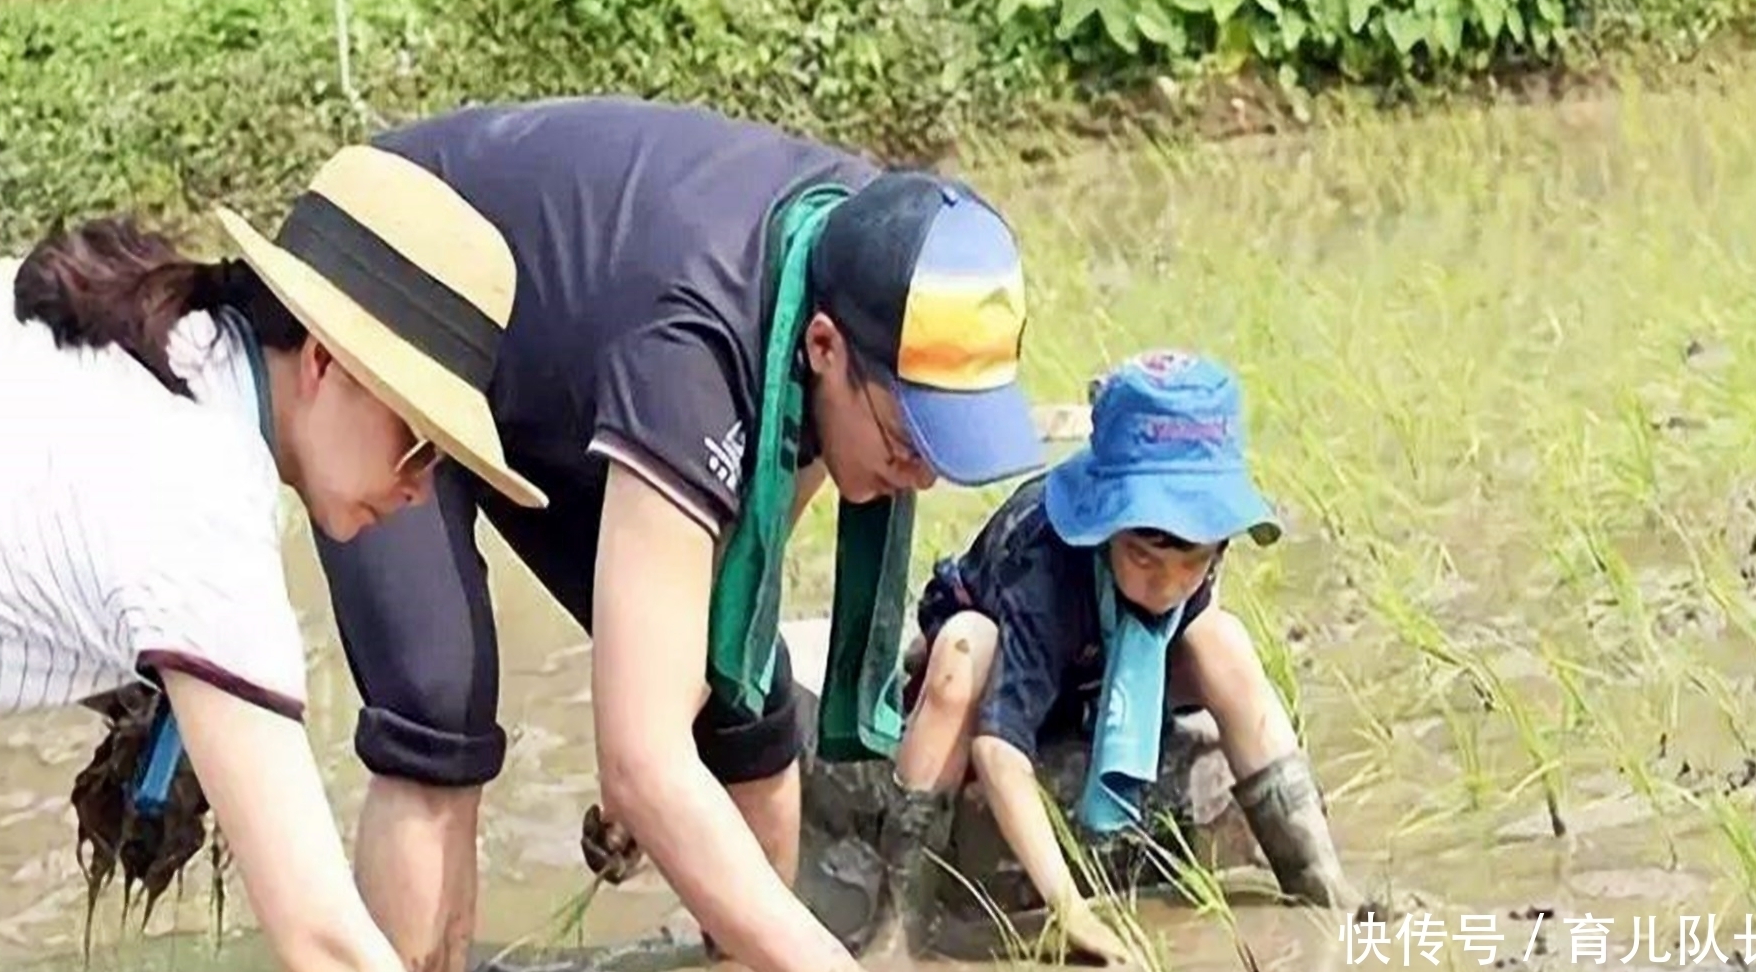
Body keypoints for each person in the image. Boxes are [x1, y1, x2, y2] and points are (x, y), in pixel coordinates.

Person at [299, 96, 1047, 972]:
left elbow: (734, 585)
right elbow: (644, 762)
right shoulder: (697, 343)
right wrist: (646, 764)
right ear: (823, 347)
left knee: (745, 703)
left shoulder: (872, 255)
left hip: (567, 352)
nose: (918, 478)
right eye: (908, 441)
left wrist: (658, 734)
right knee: (438, 708)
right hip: (391, 283)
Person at [0, 143, 546, 972]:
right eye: (419, 442)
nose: (420, 487)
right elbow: (325, 942)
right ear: (324, 363)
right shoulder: (202, 498)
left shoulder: (163, 342)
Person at [868, 350, 1360, 965]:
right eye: (1144, 558)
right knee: (963, 649)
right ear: (1104, 528)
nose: (1167, 585)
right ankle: (898, 926)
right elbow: (998, 749)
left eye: (1192, 562)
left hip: (1109, 674)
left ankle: (1319, 882)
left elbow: (1199, 628)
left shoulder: (1198, 558)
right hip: (1013, 667)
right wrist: (1070, 910)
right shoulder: (1042, 565)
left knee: (1223, 641)